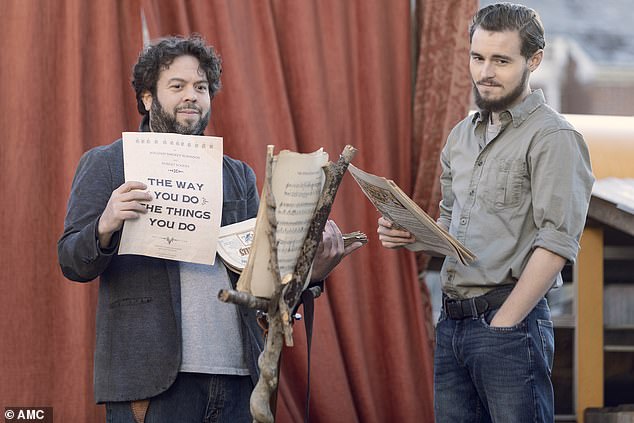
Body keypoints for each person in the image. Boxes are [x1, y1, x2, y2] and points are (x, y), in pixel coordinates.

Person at [58, 35, 360, 423]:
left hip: (239, 380)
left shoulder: (237, 175)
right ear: (148, 97)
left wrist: (311, 272)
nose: (192, 96)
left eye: (201, 87)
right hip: (153, 383)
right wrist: (104, 224)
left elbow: (260, 281)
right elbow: (70, 260)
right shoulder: (107, 163)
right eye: (178, 86)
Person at [377, 3, 594, 422]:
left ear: (534, 60)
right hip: (453, 323)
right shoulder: (461, 136)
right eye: (477, 57)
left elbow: (557, 244)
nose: (485, 72)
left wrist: (505, 324)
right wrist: (413, 235)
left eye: (501, 60)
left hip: (509, 325)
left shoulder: (555, 138)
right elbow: (451, 227)